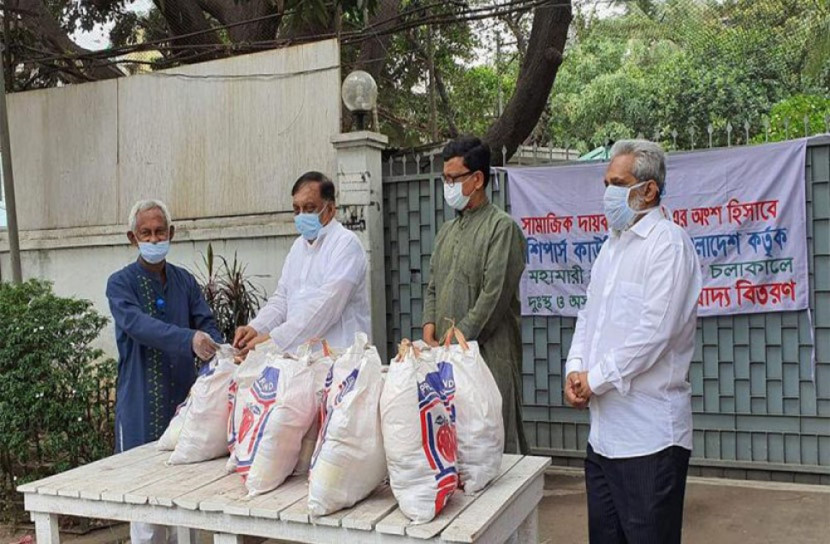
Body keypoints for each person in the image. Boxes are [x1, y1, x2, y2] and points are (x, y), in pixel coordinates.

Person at [565, 140, 701, 544]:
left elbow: (653, 333)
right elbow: (589, 316)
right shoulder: (611, 246)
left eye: (617, 183)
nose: (608, 193)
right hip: (603, 437)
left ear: (648, 190)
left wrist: (597, 378)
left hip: (650, 441)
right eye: (606, 182)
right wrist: (575, 370)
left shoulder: (668, 244)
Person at [106, 199, 222, 544]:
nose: (154, 239)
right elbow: (139, 325)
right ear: (132, 237)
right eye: (146, 233)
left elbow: (207, 325)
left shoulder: (185, 281)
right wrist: (190, 339)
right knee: (144, 511)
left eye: (160, 232)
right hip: (140, 405)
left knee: (184, 502)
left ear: (171, 234)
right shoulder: (120, 284)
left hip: (184, 405)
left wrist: (221, 349)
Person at [422, 136, 528, 454]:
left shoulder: (502, 229)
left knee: (494, 440)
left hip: (489, 357)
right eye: (445, 179)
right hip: (445, 356)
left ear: (477, 179)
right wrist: (429, 325)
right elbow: (433, 286)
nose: (447, 185)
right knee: (456, 444)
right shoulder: (446, 232)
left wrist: (457, 337)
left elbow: (492, 298)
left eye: (453, 178)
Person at [234, 171, 370, 353]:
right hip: (300, 361)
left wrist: (274, 340)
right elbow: (282, 299)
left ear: (330, 210)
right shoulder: (298, 248)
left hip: (340, 363)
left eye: (309, 208)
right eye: (297, 210)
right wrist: (257, 328)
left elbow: (325, 308)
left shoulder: (346, 245)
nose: (301, 216)